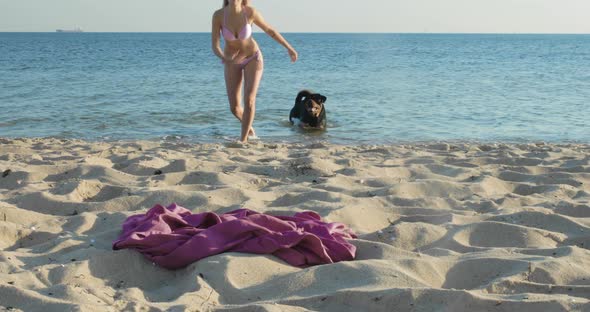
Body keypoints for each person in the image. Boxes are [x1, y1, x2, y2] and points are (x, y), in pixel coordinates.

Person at [211, 0, 298, 143]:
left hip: (253, 57)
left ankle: (243, 140)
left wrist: (289, 48)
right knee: (234, 108)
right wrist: (224, 57)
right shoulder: (219, 15)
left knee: (249, 100)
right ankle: (249, 127)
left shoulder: (250, 12)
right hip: (231, 61)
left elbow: (270, 30)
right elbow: (215, 44)